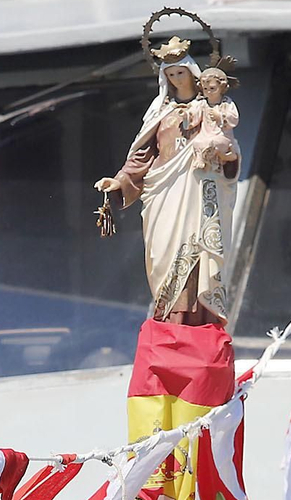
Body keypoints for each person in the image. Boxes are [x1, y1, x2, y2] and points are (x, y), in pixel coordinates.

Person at [94, 38, 239, 325]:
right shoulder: (161, 111)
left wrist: (224, 155)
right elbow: (144, 154)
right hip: (162, 191)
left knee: (197, 252)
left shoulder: (211, 108)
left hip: (197, 189)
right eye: (170, 75)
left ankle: (196, 320)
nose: (176, 79)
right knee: (162, 254)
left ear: (192, 73)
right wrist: (120, 180)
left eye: (180, 73)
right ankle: (168, 319)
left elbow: (229, 148)